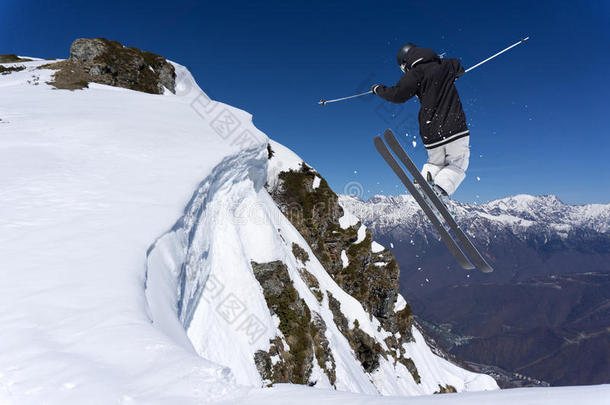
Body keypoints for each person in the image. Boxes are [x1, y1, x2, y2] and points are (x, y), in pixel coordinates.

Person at [371, 43, 470, 203]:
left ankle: (425, 180)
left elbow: (397, 95)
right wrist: (450, 73)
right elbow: (459, 66)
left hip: (430, 131)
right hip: (454, 127)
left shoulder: (414, 74)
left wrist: (378, 89)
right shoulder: (445, 65)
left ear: (406, 62)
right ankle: (440, 189)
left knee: (435, 162)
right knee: (458, 164)